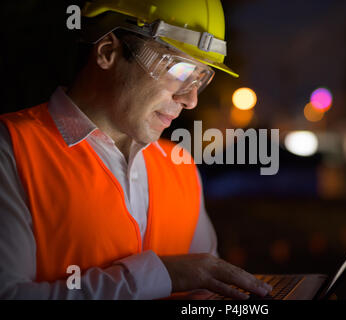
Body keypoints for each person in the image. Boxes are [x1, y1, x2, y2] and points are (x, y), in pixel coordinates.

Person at [0, 0, 272, 299]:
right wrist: (158, 276)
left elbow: (203, 295)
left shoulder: (180, 167)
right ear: (108, 52)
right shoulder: (11, 148)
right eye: (180, 70)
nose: (191, 99)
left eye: (200, 78)